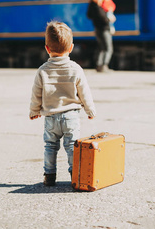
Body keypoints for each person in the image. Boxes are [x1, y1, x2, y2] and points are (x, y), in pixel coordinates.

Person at [29, 21, 96, 187]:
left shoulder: (42, 70)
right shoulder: (75, 68)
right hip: (71, 117)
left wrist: (34, 110)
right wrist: (90, 110)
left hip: (50, 117)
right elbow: (84, 92)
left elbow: (36, 94)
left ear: (47, 48)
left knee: (50, 147)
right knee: (72, 147)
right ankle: (75, 174)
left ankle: (49, 176)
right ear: (71, 48)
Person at [86, 0, 112, 72]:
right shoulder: (96, 7)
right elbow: (103, 19)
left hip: (98, 29)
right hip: (103, 29)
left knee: (101, 48)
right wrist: (109, 19)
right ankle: (104, 65)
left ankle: (99, 65)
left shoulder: (95, 6)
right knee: (108, 48)